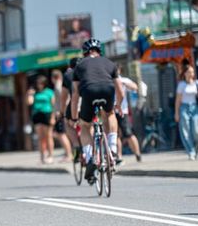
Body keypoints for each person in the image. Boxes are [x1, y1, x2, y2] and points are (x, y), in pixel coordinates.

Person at [71, 38, 124, 183]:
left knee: (86, 126)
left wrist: (75, 118)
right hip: (107, 90)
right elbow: (120, 89)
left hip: (88, 91)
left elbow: (75, 94)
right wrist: (118, 105)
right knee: (110, 114)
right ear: (99, 52)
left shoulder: (80, 66)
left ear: (85, 53)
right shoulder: (110, 63)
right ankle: (112, 149)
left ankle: (89, 159)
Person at [115, 72, 143, 163]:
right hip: (111, 111)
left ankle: (137, 154)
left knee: (128, 133)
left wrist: (123, 84)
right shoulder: (107, 80)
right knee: (115, 135)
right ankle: (118, 156)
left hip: (123, 111)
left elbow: (135, 87)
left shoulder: (123, 80)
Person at [28, 75, 55, 164]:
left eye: (41, 83)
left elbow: (53, 105)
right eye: (38, 83)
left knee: (48, 136)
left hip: (47, 113)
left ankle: (50, 156)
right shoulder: (35, 93)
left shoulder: (49, 92)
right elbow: (29, 102)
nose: (39, 85)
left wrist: (53, 117)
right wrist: (29, 94)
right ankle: (42, 157)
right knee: (40, 137)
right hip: (37, 114)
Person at [174, 64, 198, 160]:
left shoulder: (196, 83)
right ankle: (191, 151)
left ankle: (195, 148)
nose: (191, 74)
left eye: (192, 72)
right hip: (184, 107)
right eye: (189, 72)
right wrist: (176, 113)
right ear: (184, 74)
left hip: (194, 107)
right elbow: (178, 100)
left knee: (196, 131)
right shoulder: (181, 85)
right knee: (186, 131)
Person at [60, 57, 81, 161]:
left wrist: (62, 112)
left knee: (68, 123)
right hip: (90, 100)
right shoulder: (87, 71)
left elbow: (63, 97)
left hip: (75, 102)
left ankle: (76, 145)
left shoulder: (68, 74)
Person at [50, 69, 72, 161]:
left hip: (61, 113)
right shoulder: (59, 85)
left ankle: (68, 154)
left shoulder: (58, 86)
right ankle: (68, 153)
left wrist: (61, 112)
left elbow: (65, 99)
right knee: (62, 133)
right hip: (62, 112)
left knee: (61, 134)